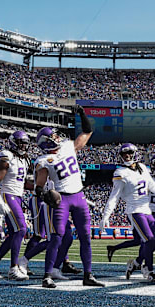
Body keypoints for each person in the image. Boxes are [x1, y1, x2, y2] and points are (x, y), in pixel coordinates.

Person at [34, 106, 104, 288]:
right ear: (46, 143)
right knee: (57, 237)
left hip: (79, 197)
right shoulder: (43, 160)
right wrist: (44, 194)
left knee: (86, 237)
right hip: (62, 199)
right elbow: (39, 186)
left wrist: (82, 114)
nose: (58, 138)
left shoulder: (67, 146)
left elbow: (88, 131)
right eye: (54, 137)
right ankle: (47, 275)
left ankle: (88, 275)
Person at [99, 143, 155, 282]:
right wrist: (106, 215)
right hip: (134, 210)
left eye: (129, 153)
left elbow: (153, 188)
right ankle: (149, 270)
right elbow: (114, 196)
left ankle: (135, 263)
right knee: (148, 239)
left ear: (135, 153)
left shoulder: (142, 167)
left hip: (146, 210)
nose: (127, 156)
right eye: (124, 154)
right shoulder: (120, 172)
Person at [0, 130, 32, 281]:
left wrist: (40, 186)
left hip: (17, 196)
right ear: (13, 142)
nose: (23, 146)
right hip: (7, 195)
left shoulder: (25, 160)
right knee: (21, 229)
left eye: (25, 143)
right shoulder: (7, 156)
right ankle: (13, 268)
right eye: (21, 142)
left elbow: (23, 183)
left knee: (14, 235)